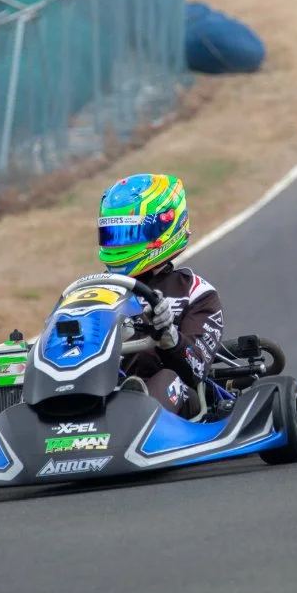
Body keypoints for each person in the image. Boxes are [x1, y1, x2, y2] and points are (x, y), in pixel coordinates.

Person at [97, 173, 223, 417]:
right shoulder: (95, 291)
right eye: (112, 234)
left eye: (128, 234)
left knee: (167, 378)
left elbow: (196, 370)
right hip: (101, 390)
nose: (118, 244)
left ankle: (134, 410)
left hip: (172, 397)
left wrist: (169, 337)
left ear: (163, 229)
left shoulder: (196, 293)